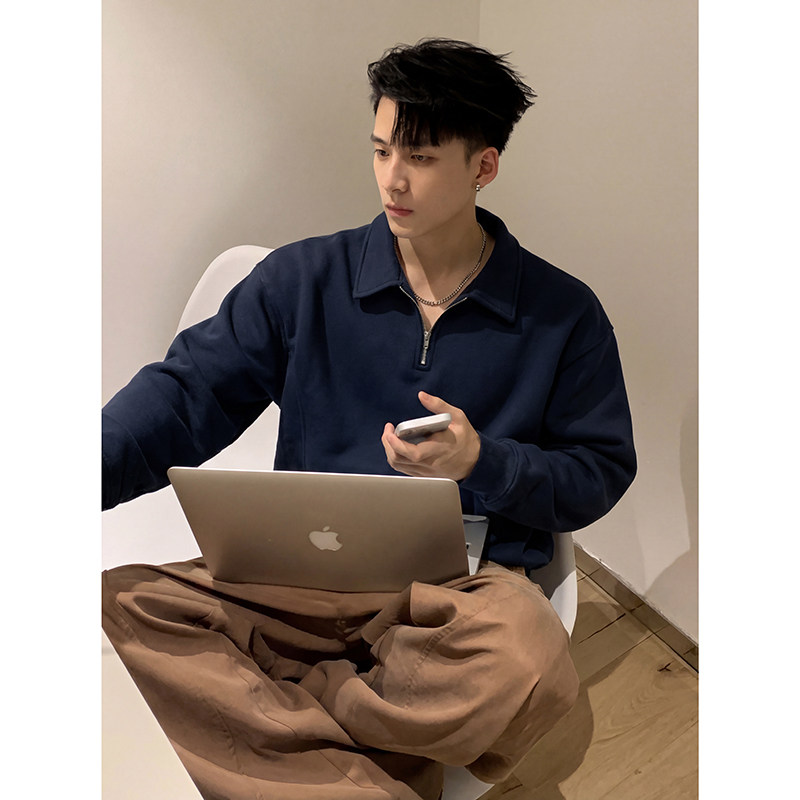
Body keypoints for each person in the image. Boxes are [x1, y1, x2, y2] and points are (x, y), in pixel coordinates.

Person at [102, 38, 636, 800]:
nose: (393, 177)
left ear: (483, 167)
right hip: (294, 578)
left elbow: (597, 473)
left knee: (525, 660)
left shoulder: (564, 316)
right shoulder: (300, 280)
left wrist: (482, 462)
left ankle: (290, 718)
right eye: (382, 149)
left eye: (420, 156)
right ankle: (367, 756)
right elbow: (183, 396)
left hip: (453, 600)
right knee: (120, 605)